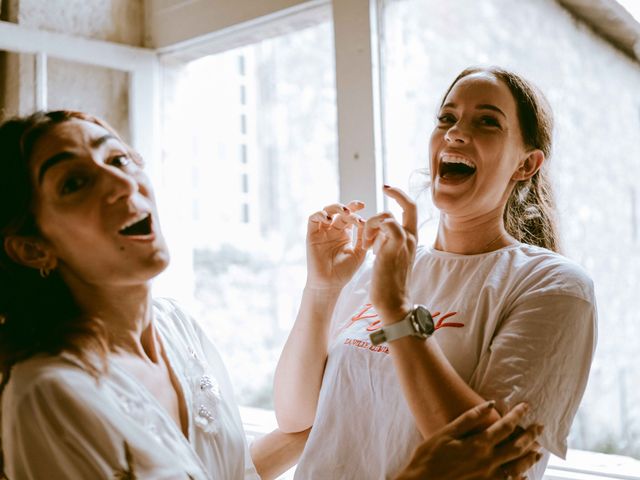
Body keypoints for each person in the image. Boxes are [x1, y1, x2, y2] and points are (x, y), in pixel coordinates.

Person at [0, 110, 542, 480]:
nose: (121, 184)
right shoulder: (49, 395)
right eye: (73, 183)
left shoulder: (176, 328)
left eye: (117, 159)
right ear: (32, 248)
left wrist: (325, 291)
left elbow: (235, 469)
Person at [274, 66, 597, 480]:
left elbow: (491, 466)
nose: (456, 133)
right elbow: (296, 417)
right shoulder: (384, 270)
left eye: (486, 122)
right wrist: (321, 289)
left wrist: (396, 311)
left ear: (527, 164)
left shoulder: (553, 286)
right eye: (447, 118)